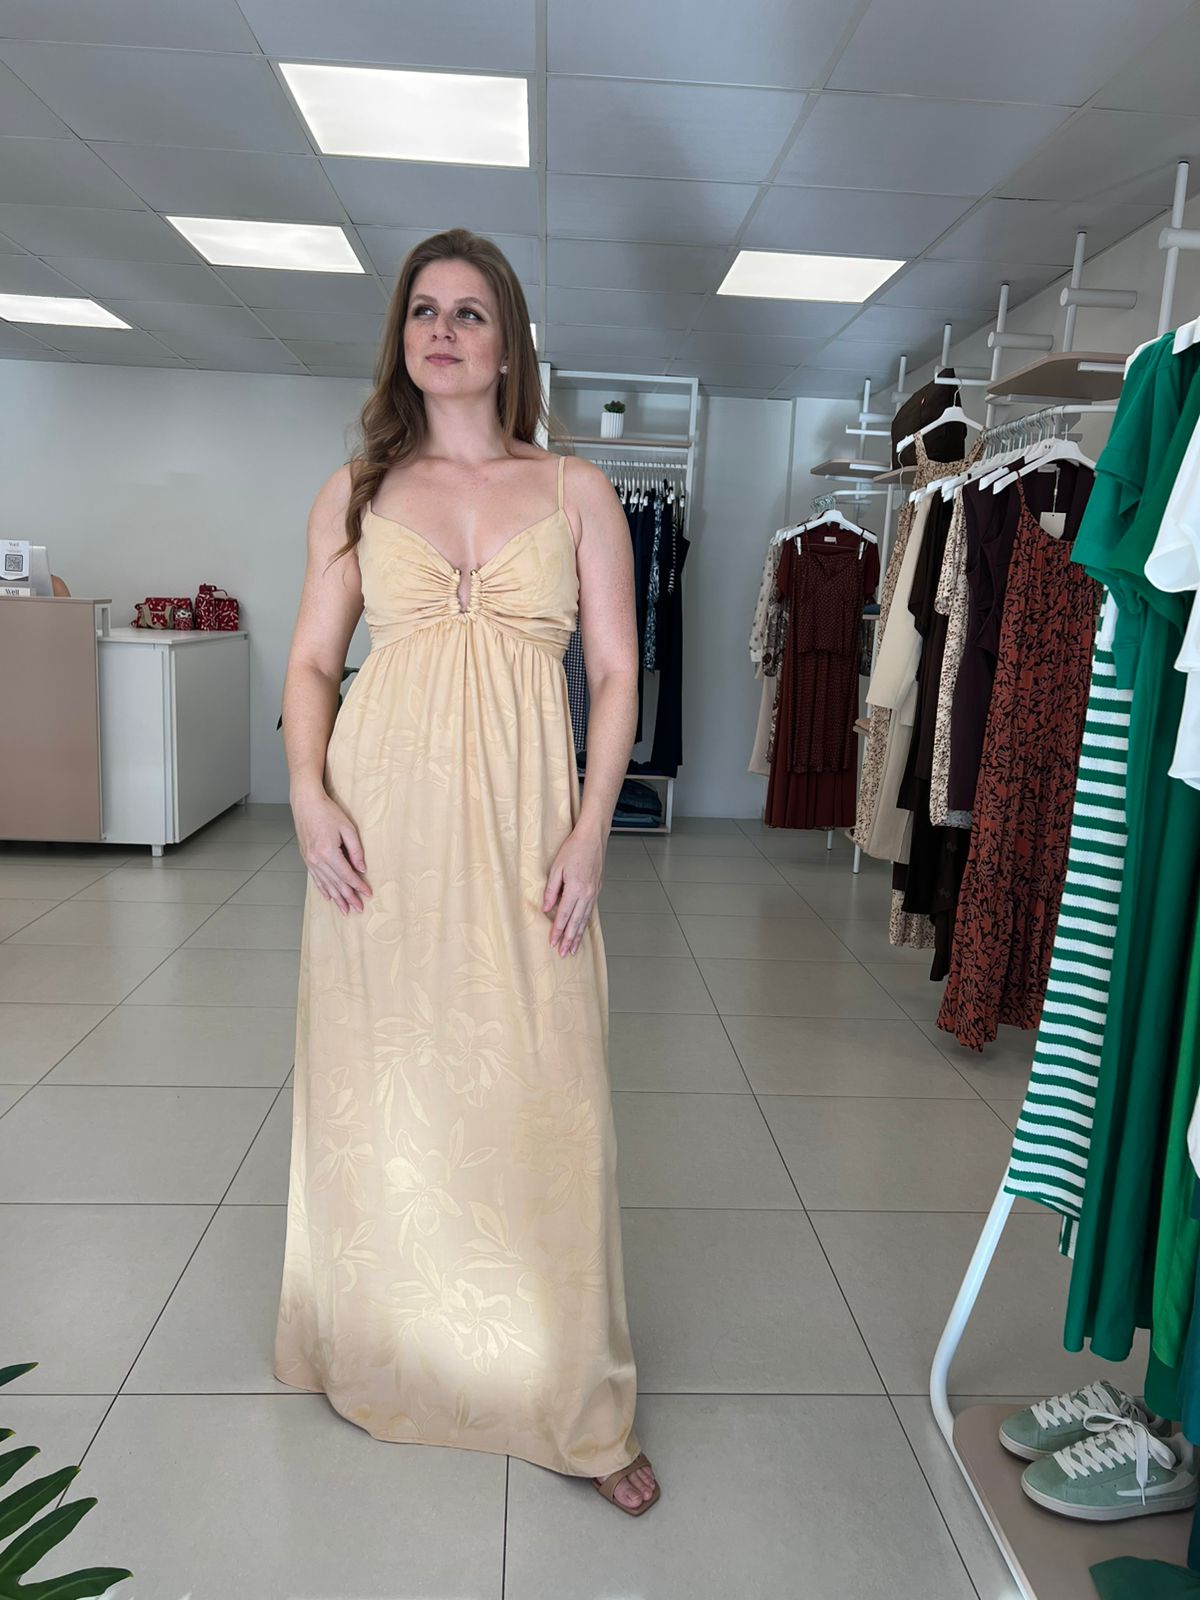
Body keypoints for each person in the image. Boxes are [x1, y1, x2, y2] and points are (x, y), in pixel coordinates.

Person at [272, 227, 660, 1517]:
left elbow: (617, 673)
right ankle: (386, 1349)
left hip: (525, 830)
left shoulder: (576, 490)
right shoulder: (356, 492)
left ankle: (577, 1405)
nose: (443, 330)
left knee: (550, 1090)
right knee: (386, 1089)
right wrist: (308, 794)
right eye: (425, 310)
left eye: (471, 312)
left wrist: (592, 828)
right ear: (403, 337)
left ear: (509, 345)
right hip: (378, 831)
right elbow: (313, 662)